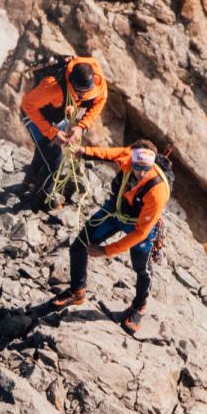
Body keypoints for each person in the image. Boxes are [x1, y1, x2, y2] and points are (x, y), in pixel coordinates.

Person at [53, 139, 171, 334]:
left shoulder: (158, 191)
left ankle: (139, 306)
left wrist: (106, 250)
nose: (141, 173)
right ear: (132, 159)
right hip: (116, 212)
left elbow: (140, 232)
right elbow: (107, 153)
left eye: (146, 168)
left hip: (141, 225)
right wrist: (83, 151)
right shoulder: (127, 155)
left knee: (142, 268)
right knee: (79, 245)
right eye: (137, 167)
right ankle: (77, 291)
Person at [19, 54, 107, 205]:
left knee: (46, 150)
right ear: (71, 84)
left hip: (58, 113)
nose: (84, 97)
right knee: (55, 160)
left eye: (87, 93)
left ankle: (29, 181)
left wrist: (82, 127)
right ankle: (42, 199)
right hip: (34, 114)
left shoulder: (96, 76)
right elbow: (27, 105)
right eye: (80, 93)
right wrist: (51, 133)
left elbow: (99, 100)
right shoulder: (53, 87)